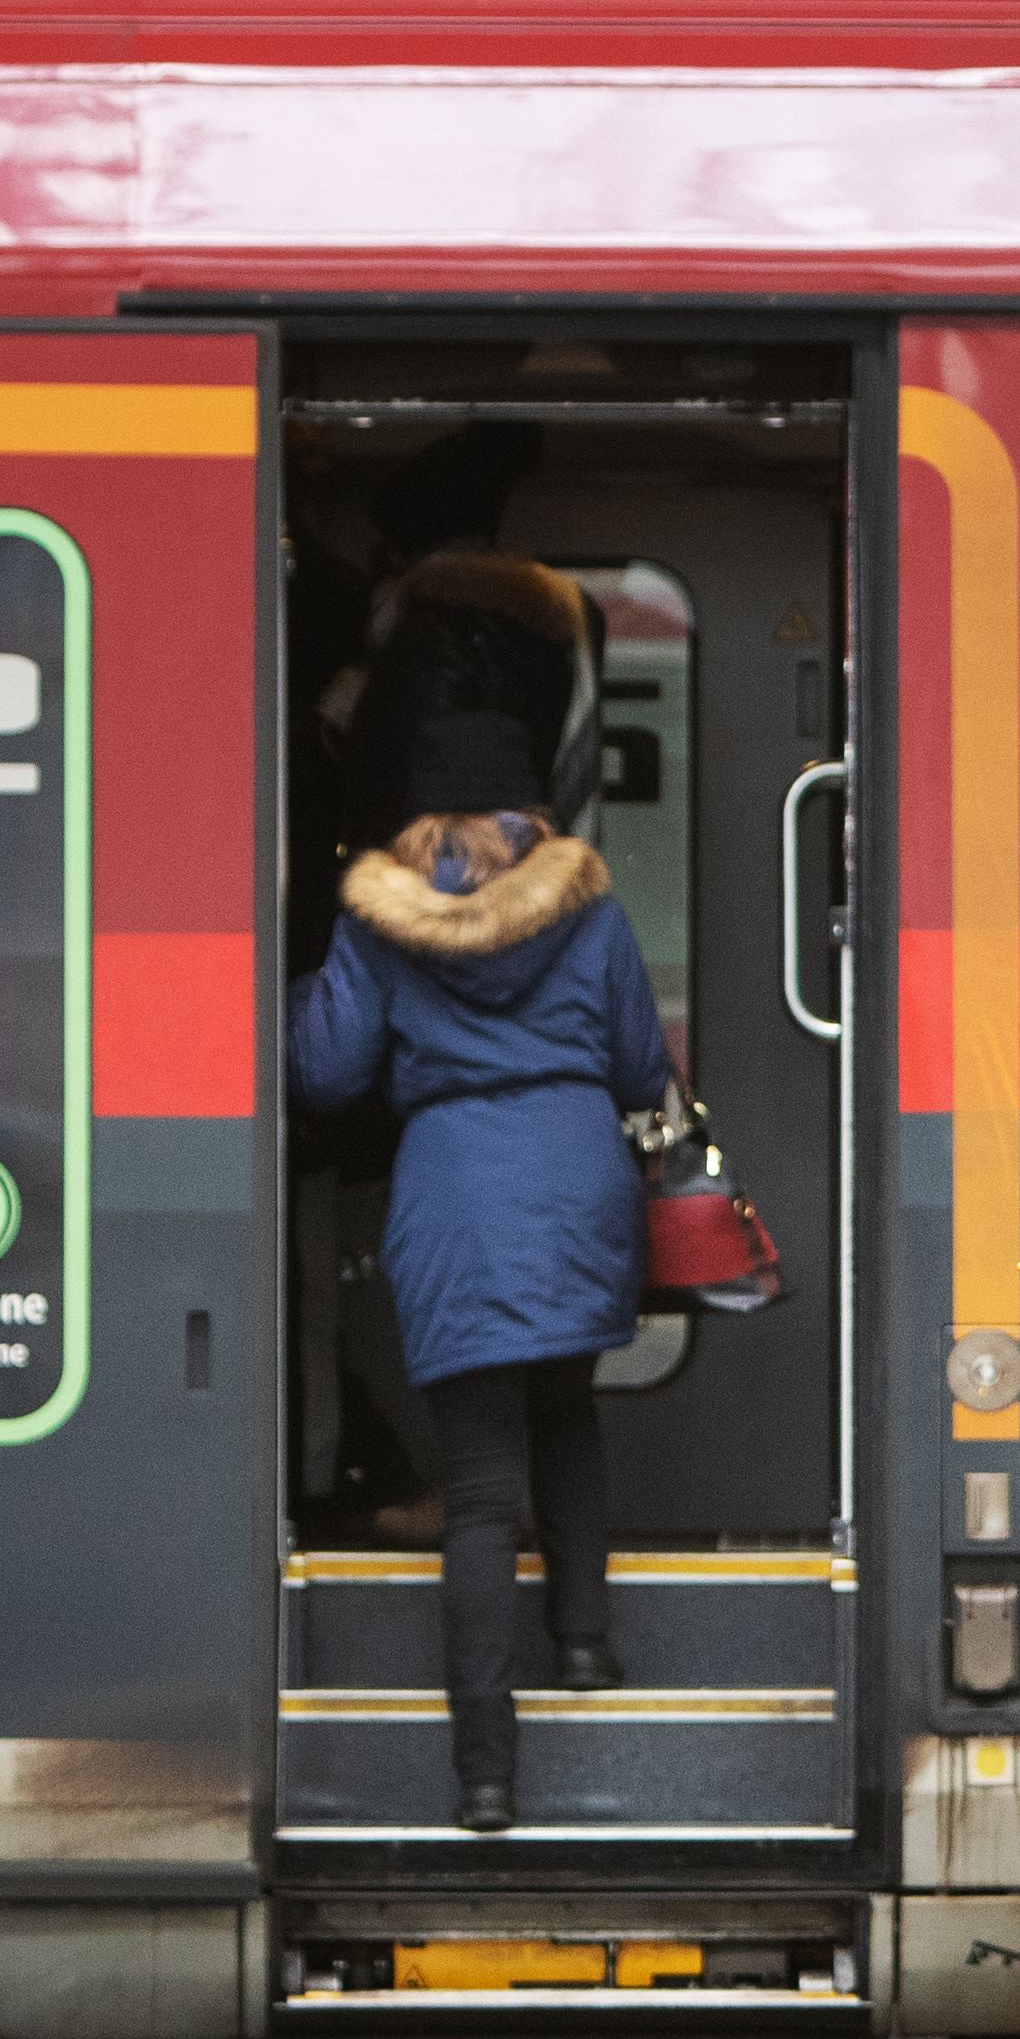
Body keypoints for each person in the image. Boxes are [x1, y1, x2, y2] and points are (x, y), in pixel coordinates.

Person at [289, 704, 673, 1836]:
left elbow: (324, 1070)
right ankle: (588, 1643)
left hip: (453, 1190)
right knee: (564, 1411)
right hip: (574, 1177)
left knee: (478, 1487)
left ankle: (486, 1773)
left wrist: (302, 987)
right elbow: (642, 1063)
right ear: (529, 809)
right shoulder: (585, 906)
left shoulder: (380, 922)